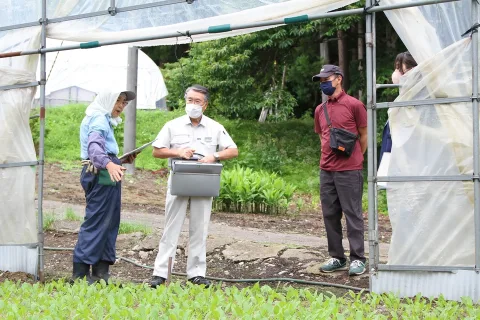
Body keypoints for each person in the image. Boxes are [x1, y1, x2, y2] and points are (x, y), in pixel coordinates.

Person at [150, 84, 239, 288]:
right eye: (190, 100)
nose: (193, 104)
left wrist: (214, 156)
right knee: (171, 227)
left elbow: (233, 150)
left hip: (204, 180)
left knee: (200, 228)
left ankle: (196, 274)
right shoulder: (172, 125)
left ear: (205, 105)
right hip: (179, 178)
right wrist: (178, 152)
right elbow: (157, 151)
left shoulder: (215, 127)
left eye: (197, 101)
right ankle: (161, 273)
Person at [72, 90, 137, 283]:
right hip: (100, 173)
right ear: (106, 99)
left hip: (104, 173)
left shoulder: (102, 119)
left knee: (108, 221)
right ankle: (81, 274)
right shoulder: (99, 118)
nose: (121, 106)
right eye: (117, 100)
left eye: (124, 103)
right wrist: (109, 164)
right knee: (98, 220)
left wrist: (118, 160)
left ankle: (101, 273)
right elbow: (94, 148)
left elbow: (102, 150)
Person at [312, 64, 368, 276]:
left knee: (352, 214)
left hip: (349, 170)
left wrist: (356, 158)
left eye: (326, 79)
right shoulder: (320, 109)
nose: (323, 84)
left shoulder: (354, 105)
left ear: (338, 79)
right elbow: (322, 137)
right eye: (321, 81)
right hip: (326, 170)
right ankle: (337, 256)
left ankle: (358, 258)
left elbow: (364, 135)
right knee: (330, 214)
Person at [380, 52, 417, 164]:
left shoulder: (417, 98)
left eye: (401, 70)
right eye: (396, 68)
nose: (396, 74)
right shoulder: (402, 99)